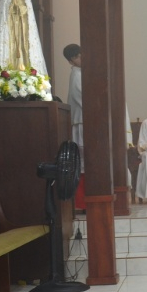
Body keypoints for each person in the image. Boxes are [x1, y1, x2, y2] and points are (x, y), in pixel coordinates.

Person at [63, 44, 86, 209]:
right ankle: (81, 202)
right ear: (71, 60)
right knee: (83, 162)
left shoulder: (80, 73)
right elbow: (83, 99)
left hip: (84, 121)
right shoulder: (77, 75)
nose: (81, 58)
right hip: (82, 123)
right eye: (78, 56)